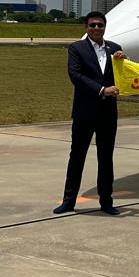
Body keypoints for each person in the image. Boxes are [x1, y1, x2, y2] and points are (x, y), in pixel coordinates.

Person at [54, 11, 124, 215]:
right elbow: (75, 75)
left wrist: (124, 61)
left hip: (108, 113)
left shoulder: (115, 49)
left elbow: (124, 75)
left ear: (105, 27)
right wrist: (102, 90)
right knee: (77, 156)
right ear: (86, 27)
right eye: (92, 25)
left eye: (100, 25)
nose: (96, 29)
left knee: (106, 158)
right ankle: (69, 201)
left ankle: (106, 201)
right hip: (85, 112)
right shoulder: (77, 48)